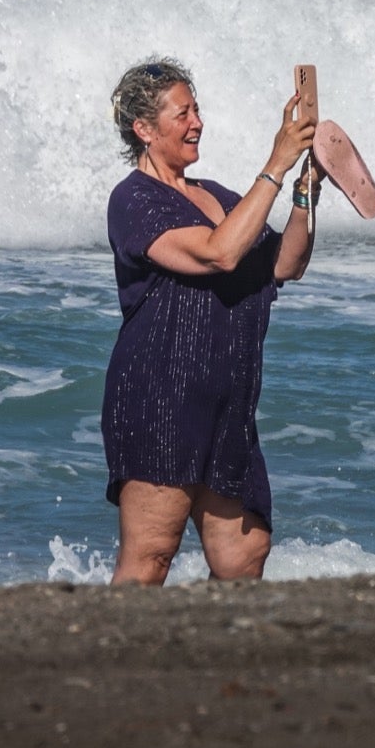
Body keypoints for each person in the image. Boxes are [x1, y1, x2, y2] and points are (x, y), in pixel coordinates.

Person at [101, 58, 321, 585]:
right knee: (152, 555)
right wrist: (276, 161)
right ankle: (111, 661)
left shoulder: (220, 197)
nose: (197, 122)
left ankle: (220, 663)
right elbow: (219, 254)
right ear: (145, 130)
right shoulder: (133, 200)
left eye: (197, 109)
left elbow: (284, 264)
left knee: (245, 557)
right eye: (182, 114)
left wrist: (304, 191)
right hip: (160, 397)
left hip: (229, 402)